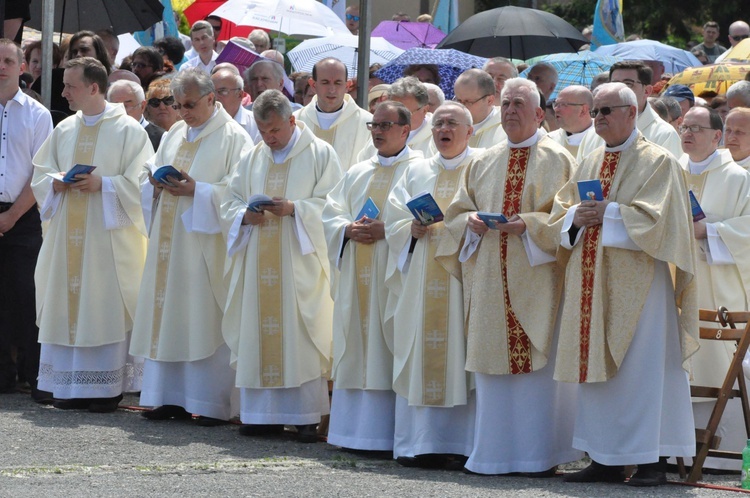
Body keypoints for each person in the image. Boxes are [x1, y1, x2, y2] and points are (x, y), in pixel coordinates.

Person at [552, 82, 698, 487]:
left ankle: (652, 459)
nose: (597, 119)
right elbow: (565, 210)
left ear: (632, 112)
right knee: (599, 369)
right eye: (595, 111)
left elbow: (660, 221)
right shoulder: (590, 158)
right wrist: (574, 220)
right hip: (592, 282)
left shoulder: (658, 161)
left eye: (605, 111)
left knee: (642, 371)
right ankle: (605, 457)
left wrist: (609, 213)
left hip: (641, 289)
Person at [437, 78, 581, 475]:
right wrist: (469, 221)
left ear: (539, 113)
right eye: (506, 103)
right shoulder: (482, 160)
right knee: (492, 369)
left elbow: (567, 218)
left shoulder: (559, 159)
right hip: (487, 277)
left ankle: (539, 456)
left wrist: (529, 225)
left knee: (537, 374)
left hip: (536, 280)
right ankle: (494, 454)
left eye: (520, 103)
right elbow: (457, 211)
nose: (511, 110)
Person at [31, 57, 153, 413]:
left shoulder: (130, 131)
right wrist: (55, 183)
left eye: (70, 85)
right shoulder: (64, 129)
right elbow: (40, 174)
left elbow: (143, 184)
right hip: (66, 239)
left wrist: (105, 184)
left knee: (101, 309)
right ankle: (67, 387)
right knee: (68, 308)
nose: (64, 91)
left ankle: (105, 389)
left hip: (106, 245)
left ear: (94, 88)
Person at [220, 89, 343, 443]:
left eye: (274, 130)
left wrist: (297, 210)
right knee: (260, 332)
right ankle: (260, 415)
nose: (268, 138)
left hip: (299, 264)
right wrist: (244, 216)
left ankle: (304, 416)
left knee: (299, 335)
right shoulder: (253, 156)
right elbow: (230, 199)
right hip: (258, 261)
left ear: (292, 120)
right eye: (262, 131)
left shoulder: (320, 154)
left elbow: (334, 206)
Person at [130, 68, 251, 426]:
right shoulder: (176, 133)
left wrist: (198, 190)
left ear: (212, 98)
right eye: (177, 105)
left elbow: (237, 192)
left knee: (201, 318)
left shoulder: (234, 138)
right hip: (168, 241)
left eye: (190, 104)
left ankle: (209, 402)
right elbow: (150, 168)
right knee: (169, 316)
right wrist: (152, 178)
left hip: (203, 248)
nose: (183, 112)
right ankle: (168, 398)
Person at [322, 101, 421, 452]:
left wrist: (388, 232)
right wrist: (345, 229)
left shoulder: (419, 169)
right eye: (373, 125)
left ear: (406, 130)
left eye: (385, 125)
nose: (377, 131)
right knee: (356, 344)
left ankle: (385, 436)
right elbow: (329, 213)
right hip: (356, 275)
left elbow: (422, 221)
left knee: (386, 346)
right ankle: (351, 433)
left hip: (391, 276)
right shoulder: (357, 171)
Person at [384, 101, 478, 468]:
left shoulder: (481, 166)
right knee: (421, 350)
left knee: (460, 352)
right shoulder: (416, 170)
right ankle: (419, 444)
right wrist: (410, 229)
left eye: (453, 123)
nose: (444, 129)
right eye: (438, 123)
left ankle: (460, 444)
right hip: (421, 275)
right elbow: (394, 217)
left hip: (462, 278)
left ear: (469, 131)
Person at [677, 105, 750, 471]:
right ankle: (670, 451)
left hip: (718, 291)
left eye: (696, 128)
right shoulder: (669, 172)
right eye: (684, 126)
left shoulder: (740, 178)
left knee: (715, 367)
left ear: (716, 136)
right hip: (672, 287)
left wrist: (710, 230)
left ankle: (723, 460)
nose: (687, 133)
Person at [0, 39, 53, 402]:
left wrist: (12, 216)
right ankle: (2, 376)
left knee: (27, 295)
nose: (0, 66)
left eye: (7, 60)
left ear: (22, 67)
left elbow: (42, 172)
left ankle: (35, 376)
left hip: (23, 214)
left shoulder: (38, 114)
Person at [577, 61, 682, 160]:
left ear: (646, 91)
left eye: (628, 84)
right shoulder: (592, 134)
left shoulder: (664, 134)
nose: (620, 89)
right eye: (615, 83)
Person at [295, 58, 373, 171]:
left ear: (347, 86)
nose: (332, 90)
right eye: (325, 82)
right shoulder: (296, 121)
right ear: (313, 85)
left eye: (338, 83)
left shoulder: (367, 123)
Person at [453, 69, 506, 148]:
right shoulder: (448, 126)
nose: (461, 107)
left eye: (468, 102)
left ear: (489, 100)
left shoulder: (504, 130)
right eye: (458, 100)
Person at [107, 80, 165, 150]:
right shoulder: (104, 134)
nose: (122, 111)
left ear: (142, 106)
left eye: (126, 105)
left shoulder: (162, 138)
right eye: (116, 106)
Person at [211, 67, 255, 142]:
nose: (216, 97)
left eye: (222, 91)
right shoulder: (203, 124)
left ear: (240, 95)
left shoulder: (256, 125)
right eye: (212, 92)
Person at [547, 85, 594, 156]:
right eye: (556, 104)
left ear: (583, 110)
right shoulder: (549, 140)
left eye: (563, 104)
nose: (556, 109)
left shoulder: (602, 140)